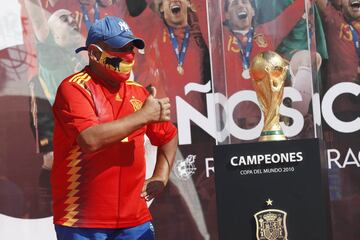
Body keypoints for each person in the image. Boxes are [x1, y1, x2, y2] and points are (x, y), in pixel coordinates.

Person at [51, 16, 177, 240]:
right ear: (94, 53)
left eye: (131, 47)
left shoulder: (139, 92)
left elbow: (168, 135)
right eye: (120, 48)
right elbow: (90, 140)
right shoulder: (74, 88)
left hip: (136, 221)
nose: (129, 55)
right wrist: (143, 117)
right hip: (82, 222)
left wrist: (162, 175)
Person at [222, 0, 317, 139]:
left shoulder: (266, 32)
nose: (240, 5)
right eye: (234, 3)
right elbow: (201, 7)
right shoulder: (218, 37)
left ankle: (296, 121)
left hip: (266, 117)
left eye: (245, 2)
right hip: (234, 121)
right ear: (226, 15)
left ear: (253, 11)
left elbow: (291, 14)